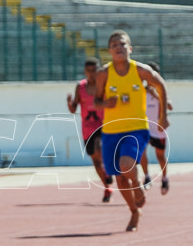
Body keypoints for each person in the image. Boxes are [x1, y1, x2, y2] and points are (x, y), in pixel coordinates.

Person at [93, 30, 169, 233]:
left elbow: (160, 84)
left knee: (127, 166)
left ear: (130, 48)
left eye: (122, 44)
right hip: (110, 131)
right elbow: (96, 101)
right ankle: (134, 211)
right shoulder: (103, 74)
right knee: (119, 178)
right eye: (114, 45)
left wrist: (163, 117)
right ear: (109, 51)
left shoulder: (140, 71)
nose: (118, 48)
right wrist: (105, 103)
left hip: (136, 128)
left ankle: (138, 185)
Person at [67, 56, 113, 202]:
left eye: (94, 70)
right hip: (87, 128)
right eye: (89, 71)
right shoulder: (80, 87)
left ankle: (109, 170)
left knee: (99, 148)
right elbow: (74, 108)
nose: (92, 74)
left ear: (99, 70)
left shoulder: (104, 85)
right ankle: (107, 187)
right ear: (85, 72)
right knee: (95, 160)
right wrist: (69, 103)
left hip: (103, 125)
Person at [140, 61, 172, 195]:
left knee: (160, 156)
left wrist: (156, 95)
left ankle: (164, 177)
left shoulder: (160, 91)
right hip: (144, 128)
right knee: (141, 153)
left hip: (158, 129)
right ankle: (146, 176)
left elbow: (170, 106)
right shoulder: (141, 90)